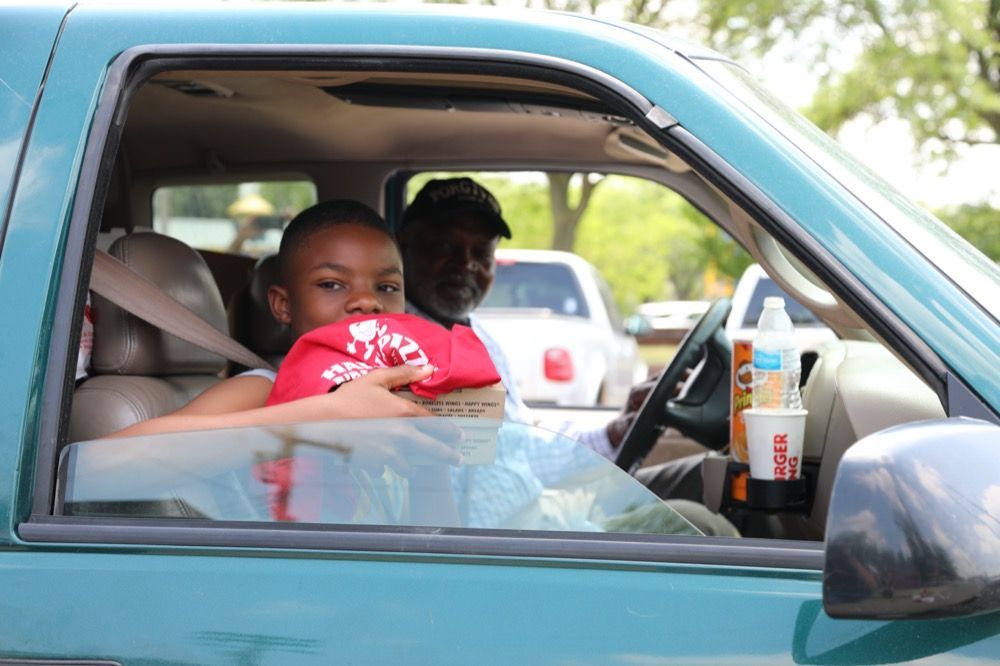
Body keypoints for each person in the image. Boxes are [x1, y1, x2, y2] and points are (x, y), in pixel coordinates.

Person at [398, 178, 733, 535]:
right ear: (404, 248)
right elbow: (461, 504)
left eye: (482, 254)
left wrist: (613, 433)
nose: (465, 264)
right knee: (701, 526)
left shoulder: (475, 334)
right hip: (509, 539)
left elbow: (520, 447)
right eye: (446, 246)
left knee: (713, 476)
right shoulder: (404, 350)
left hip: (542, 505)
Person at [104, 200, 450, 445]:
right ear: (284, 305)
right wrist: (319, 417)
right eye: (331, 284)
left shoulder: (400, 404)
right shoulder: (267, 391)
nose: (368, 301)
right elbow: (99, 465)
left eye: (387, 287)